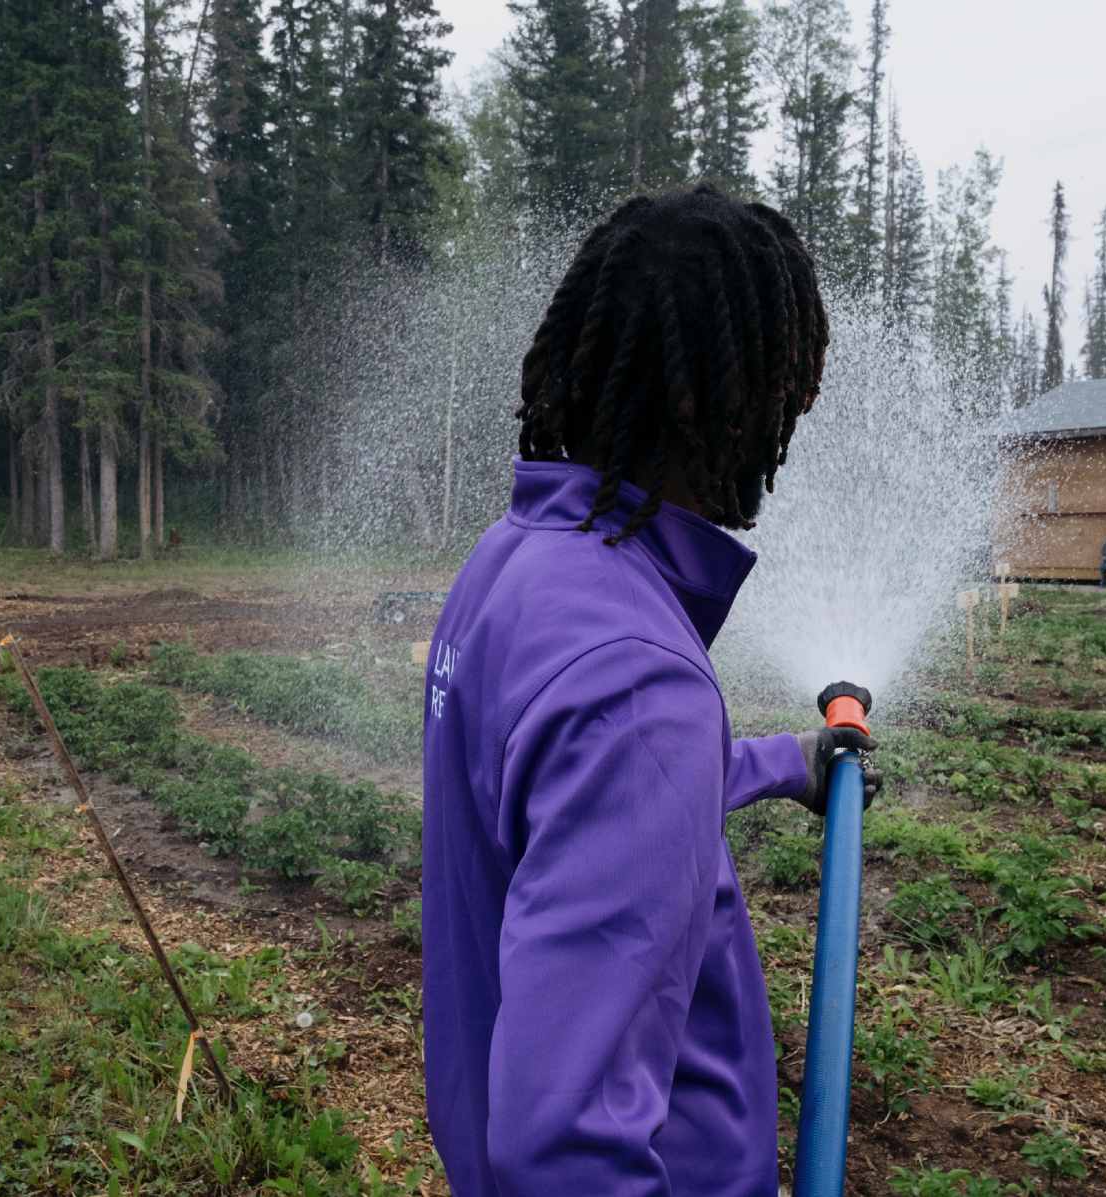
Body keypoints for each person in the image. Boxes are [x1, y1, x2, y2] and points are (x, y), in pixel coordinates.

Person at [420, 184, 874, 1197]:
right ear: (703, 400)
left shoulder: (512, 567)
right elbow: (565, 1152)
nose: (786, 431)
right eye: (780, 393)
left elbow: (570, 803)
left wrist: (778, 764)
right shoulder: (636, 676)